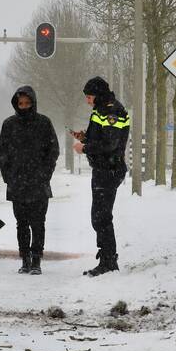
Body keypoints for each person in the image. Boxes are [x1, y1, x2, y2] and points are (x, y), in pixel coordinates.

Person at [71, 76, 130, 277]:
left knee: (102, 217)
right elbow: (103, 137)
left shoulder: (111, 110)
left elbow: (110, 143)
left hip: (109, 170)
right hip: (103, 169)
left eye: (89, 97)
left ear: (98, 95)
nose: (87, 101)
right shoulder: (102, 109)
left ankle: (108, 262)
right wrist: (85, 136)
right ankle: (107, 258)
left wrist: (85, 147)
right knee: (99, 217)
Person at [0, 86, 59, 275]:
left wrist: (45, 175)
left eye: (27, 103)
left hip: (38, 184)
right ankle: (25, 259)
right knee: (21, 223)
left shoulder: (44, 123)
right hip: (17, 184)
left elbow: (53, 151)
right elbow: (3, 153)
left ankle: (36, 260)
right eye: (20, 103)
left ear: (33, 103)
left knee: (38, 222)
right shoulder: (9, 125)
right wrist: (8, 176)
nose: (23, 106)